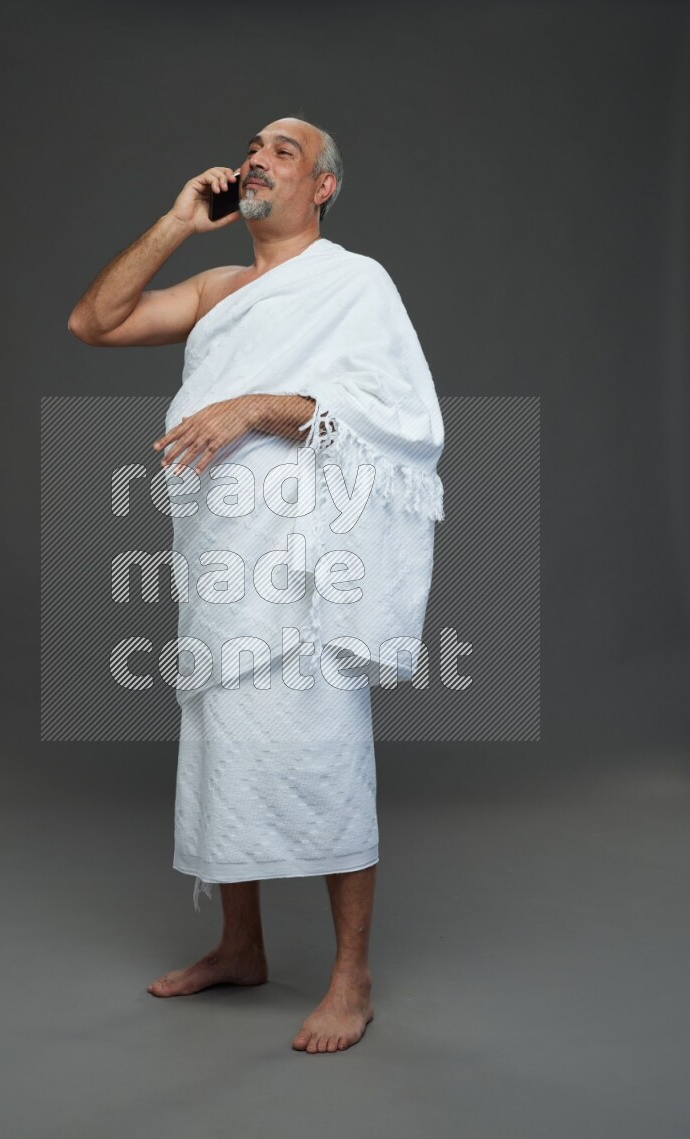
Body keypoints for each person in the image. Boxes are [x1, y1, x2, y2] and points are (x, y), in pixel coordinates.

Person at [67, 116, 444, 1054]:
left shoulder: (356, 284)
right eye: (254, 148)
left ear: (323, 186)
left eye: (284, 150)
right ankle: (240, 946)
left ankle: (351, 976)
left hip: (308, 566)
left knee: (326, 755)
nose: (257, 159)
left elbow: (399, 417)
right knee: (225, 748)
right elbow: (94, 321)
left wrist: (255, 407)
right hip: (220, 553)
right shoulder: (217, 289)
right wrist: (176, 222)